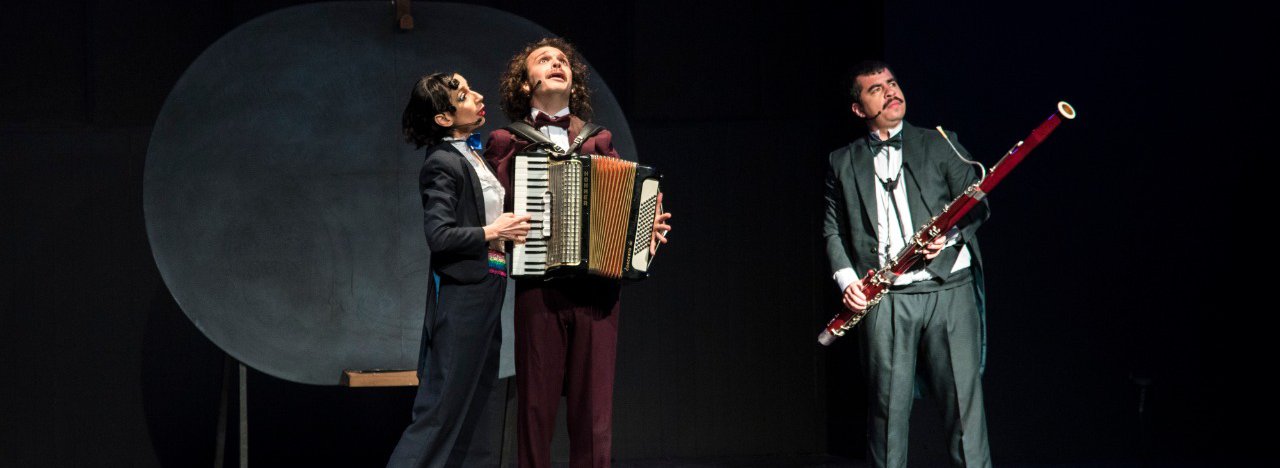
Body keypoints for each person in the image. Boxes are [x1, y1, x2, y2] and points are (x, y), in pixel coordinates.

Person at [483, 37, 671, 468]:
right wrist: (503, 237)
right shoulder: (506, 140)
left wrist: (644, 231)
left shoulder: (598, 139)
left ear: (573, 80)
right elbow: (491, 214)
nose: (556, 63)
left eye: (563, 60)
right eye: (543, 60)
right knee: (536, 411)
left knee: (594, 418)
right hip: (538, 288)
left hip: (597, 293)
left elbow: (626, 201)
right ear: (525, 82)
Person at [823, 60, 992, 468]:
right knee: (886, 418)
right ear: (858, 109)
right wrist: (848, 282)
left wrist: (948, 238)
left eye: (893, 83)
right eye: (876, 89)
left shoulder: (941, 142)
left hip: (948, 288)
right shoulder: (841, 161)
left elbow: (977, 203)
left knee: (965, 418)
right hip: (886, 298)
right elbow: (832, 229)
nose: (890, 92)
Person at [387, 72, 531, 467]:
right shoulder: (442, 162)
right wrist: (493, 231)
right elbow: (439, 235)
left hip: (489, 287)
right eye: (464, 95)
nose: (478, 96)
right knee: (440, 410)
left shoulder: (472, 155)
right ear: (443, 118)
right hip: (463, 296)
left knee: (478, 408)